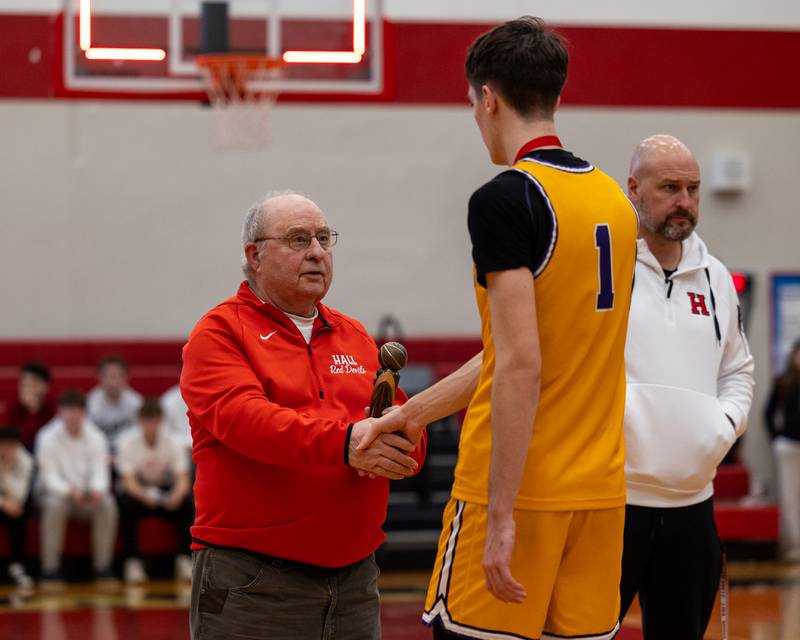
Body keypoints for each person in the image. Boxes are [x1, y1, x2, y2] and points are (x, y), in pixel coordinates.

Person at [359, 17, 638, 640]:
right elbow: (521, 350)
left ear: (487, 97)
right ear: (555, 94)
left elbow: (519, 364)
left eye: (471, 103)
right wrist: (412, 414)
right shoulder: (616, 203)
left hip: (515, 494)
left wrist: (504, 514)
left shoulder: (506, 198)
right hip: (599, 498)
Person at [180, 190, 427, 640]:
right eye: (297, 239)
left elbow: (399, 418)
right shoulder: (218, 334)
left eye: (323, 239)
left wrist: (404, 441)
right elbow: (249, 423)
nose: (316, 252)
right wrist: (346, 444)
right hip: (253, 586)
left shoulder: (352, 335)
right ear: (254, 255)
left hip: (355, 583)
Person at [619, 135, 754, 638]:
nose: (685, 201)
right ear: (633, 188)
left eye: (693, 189)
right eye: (670, 187)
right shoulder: (603, 268)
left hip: (693, 507)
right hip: (614, 503)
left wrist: (721, 427)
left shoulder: (716, 277)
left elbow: (737, 370)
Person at [36, 390, 118, 588]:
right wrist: (69, 491)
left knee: (107, 503)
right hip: (54, 494)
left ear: (84, 413)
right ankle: (50, 569)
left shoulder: (96, 437)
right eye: (68, 410)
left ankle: (102, 568)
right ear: (60, 412)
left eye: (77, 411)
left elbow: (100, 471)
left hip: (85, 496)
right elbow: (49, 477)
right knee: (56, 505)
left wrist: (97, 490)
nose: (72, 415)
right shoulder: (47, 436)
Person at [116, 397, 193, 584]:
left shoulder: (172, 442)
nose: (151, 425)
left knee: (187, 502)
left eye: (155, 420)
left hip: (163, 491)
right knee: (125, 503)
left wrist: (177, 494)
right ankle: (132, 561)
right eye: (146, 421)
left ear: (161, 421)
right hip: (139, 493)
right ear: (139, 422)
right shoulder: (127, 442)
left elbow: (183, 477)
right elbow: (128, 480)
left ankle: (184, 559)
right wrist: (142, 495)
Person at [765, 338, 800, 562]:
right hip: (787, 447)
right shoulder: (783, 382)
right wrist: (776, 439)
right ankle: (794, 545)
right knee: (789, 498)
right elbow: (767, 414)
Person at [0, 426, 34, 588]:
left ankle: (17, 567)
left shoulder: (25, 460)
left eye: (12, 446)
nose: (8, 450)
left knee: (19, 516)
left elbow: (19, 496)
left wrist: (5, 471)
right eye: (4, 445)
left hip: (13, 502)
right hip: (2, 501)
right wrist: (2, 502)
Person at [87, 354, 143, 449]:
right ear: (100, 377)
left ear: (126, 377)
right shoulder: (89, 403)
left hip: (128, 455)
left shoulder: (137, 404)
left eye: (116, 376)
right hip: (98, 454)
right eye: (108, 377)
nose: (113, 383)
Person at [5, 362, 55, 452]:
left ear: (46, 386)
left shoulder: (52, 407)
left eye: (34, 383)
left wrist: (34, 409)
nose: (29, 388)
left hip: (47, 453)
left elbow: (52, 437)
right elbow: (10, 438)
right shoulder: (13, 406)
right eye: (25, 383)